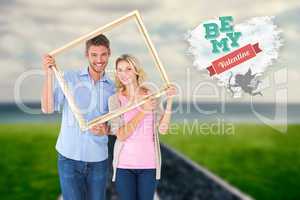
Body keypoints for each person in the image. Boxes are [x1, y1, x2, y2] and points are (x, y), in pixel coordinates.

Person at [41, 34, 115, 200]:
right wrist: (48, 74)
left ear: (109, 53)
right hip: (69, 159)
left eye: (103, 54)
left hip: (98, 160)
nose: (99, 60)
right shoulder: (69, 78)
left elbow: (117, 125)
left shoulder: (113, 88)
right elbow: (47, 108)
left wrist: (106, 129)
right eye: (94, 55)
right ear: (86, 55)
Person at [108, 54, 176, 200]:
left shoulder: (152, 96)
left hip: (148, 165)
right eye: (119, 70)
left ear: (136, 71)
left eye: (128, 69)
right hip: (124, 166)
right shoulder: (114, 100)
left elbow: (162, 129)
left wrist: (169, 101)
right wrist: (143, 110)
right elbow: (121, 135)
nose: (123, 74)